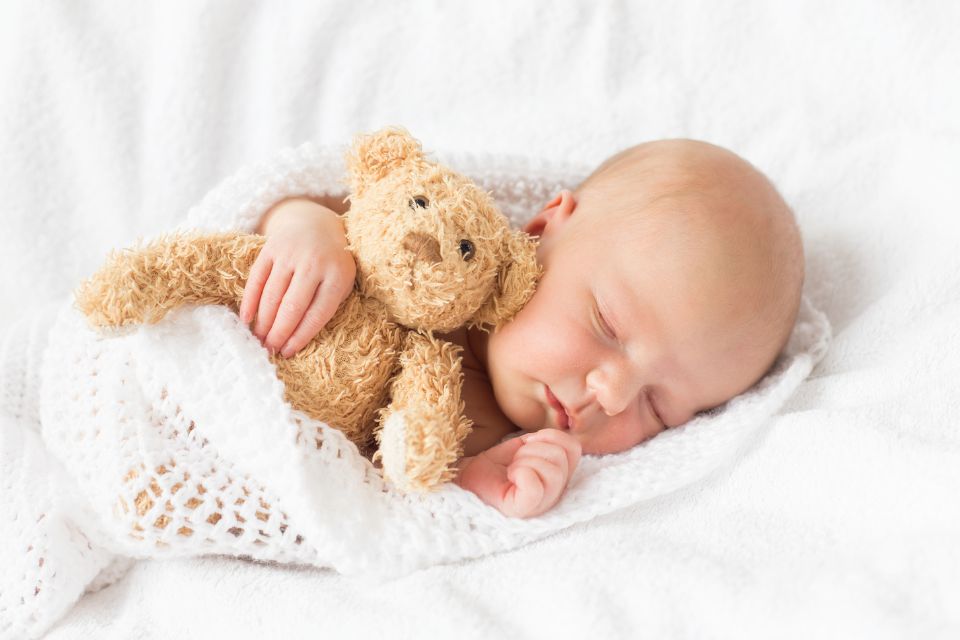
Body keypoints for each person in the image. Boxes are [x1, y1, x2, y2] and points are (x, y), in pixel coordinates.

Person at [239, 139, 804, 519]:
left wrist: (485, 482)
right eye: (607, 324)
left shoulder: (496, 440)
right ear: (539, 229)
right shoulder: (443, 245)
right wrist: (310, 232)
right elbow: (314, 198)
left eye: (658, 408)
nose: (611, 395)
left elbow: (399, 502)